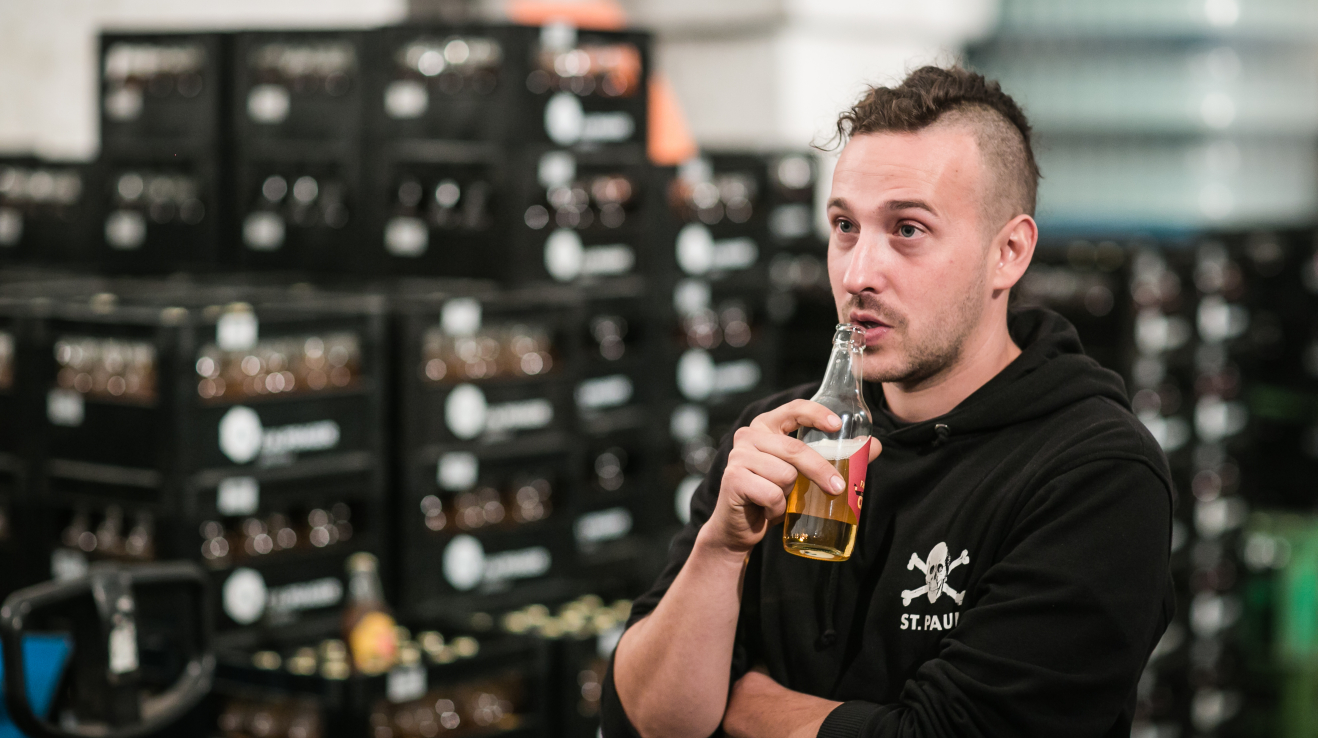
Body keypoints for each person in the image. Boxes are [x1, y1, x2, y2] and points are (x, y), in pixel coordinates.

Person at [603, 66, 1174, 738]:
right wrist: (720, 551)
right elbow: (645, 720)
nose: (857, 274)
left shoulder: (1096, 474)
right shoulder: (777, 438)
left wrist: (743, 707)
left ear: (1009, 252)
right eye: (845, 226)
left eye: (907, 229)